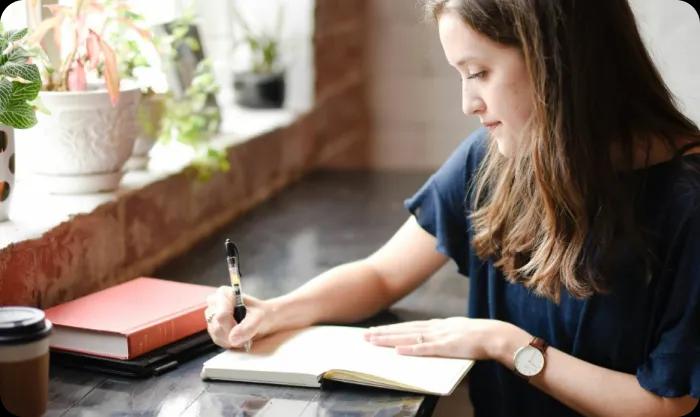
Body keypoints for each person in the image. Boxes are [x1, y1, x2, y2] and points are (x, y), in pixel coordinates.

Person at [205, 0, 700, 415]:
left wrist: (506, 345)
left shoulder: (688, 203)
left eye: (480, 73)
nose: (469, 103)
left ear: (559, 59)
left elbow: (666, 406)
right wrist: (276, 311)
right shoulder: (494, 158)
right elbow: (382, 275)